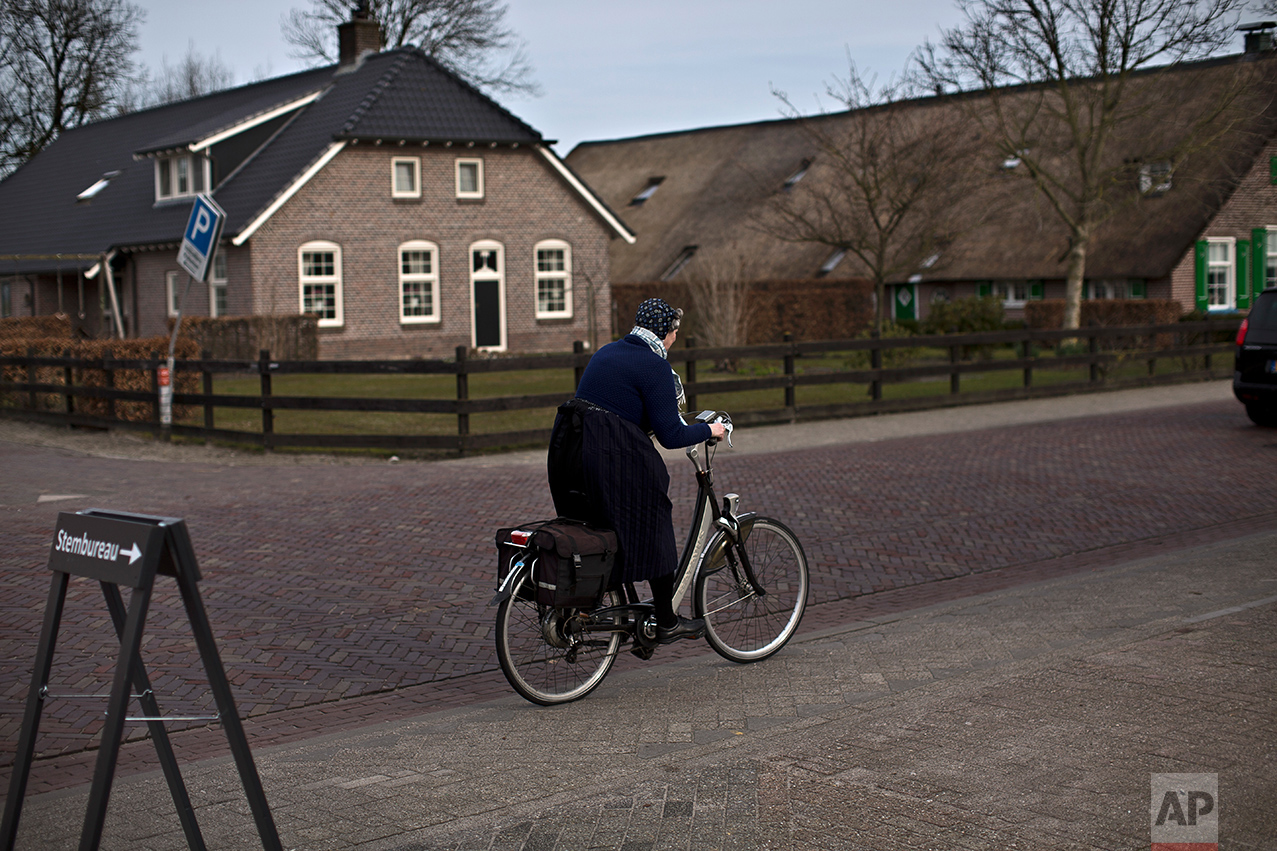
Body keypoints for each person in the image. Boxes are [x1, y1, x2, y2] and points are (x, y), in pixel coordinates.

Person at [548, 298, 728, 643]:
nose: (675, 339)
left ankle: (598, 604)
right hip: (611, 455)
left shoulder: (607, 352)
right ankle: (666, 622)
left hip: (569, 450)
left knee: (599, 527)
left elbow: (622, 405)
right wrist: (710, 430)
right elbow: (672, 435)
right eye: (675, 332)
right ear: (666, 333)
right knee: (653, 519)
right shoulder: (654, 365)